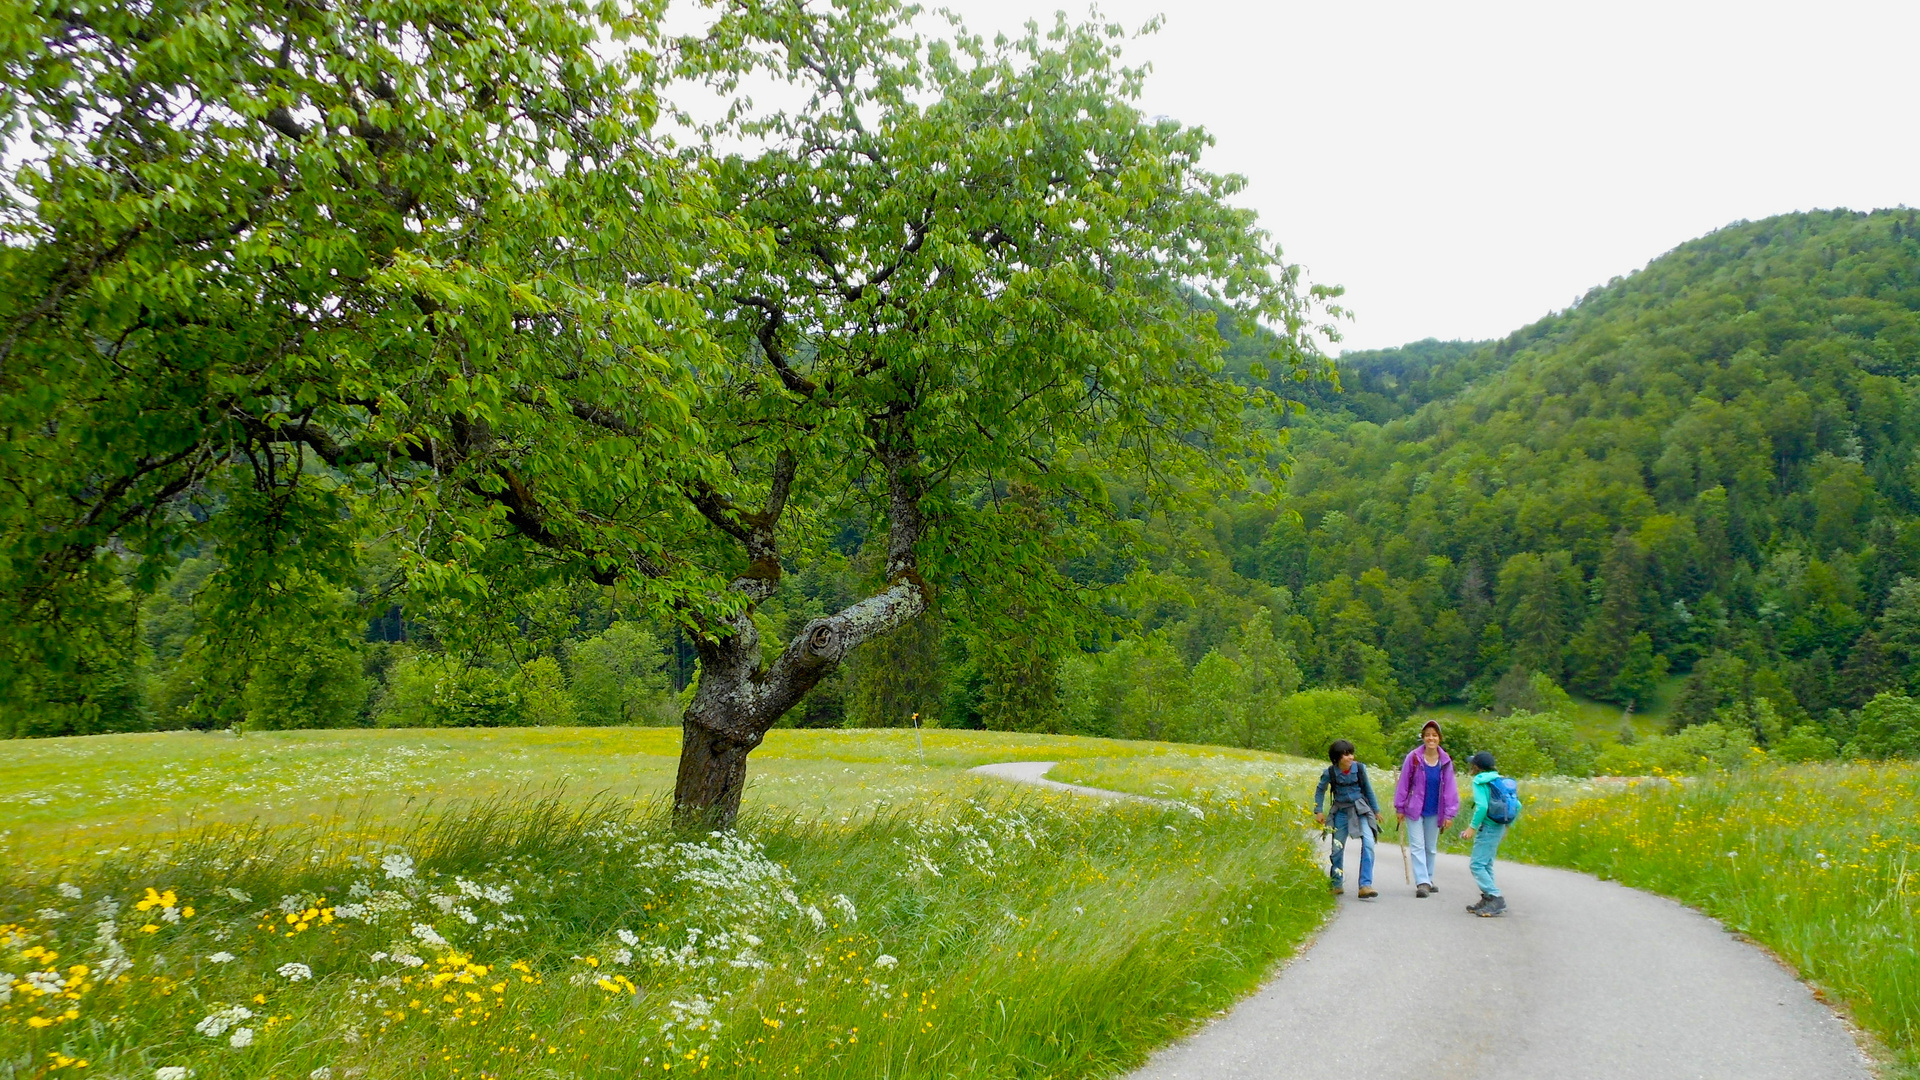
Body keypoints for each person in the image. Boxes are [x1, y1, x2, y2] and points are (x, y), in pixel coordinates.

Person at [1392, 720, 1458, 897]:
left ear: (1439, 738)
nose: (1431, 738)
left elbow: (1451, 788)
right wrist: (1399, 807)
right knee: (1418, 846)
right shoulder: (1413, 758)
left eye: (1434, 735)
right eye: (1427, 735)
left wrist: (1450, 813)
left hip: (1435, 810)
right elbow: (1404, 783)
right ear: (1422, 737)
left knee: (1430, 847)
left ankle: (1428, 878)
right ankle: (1422, 882)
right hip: (1414, 809)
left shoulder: (1445, 761)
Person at [1313, 739, 1381, 898]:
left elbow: (1368, 789)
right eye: (1346, 755)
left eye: (1351, 753)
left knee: (1369, 844)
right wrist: (1318, 811)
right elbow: (1320, 790)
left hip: (1361, 810)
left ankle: (1365, 885)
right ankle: (1336, 883)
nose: (1350, 757)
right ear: (1337, 758)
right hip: (1341, 812)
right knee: (1337, 848)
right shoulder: (1329, 772)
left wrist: (1376, 810)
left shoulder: (1360, 769)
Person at [1459, 750, 1510, 917]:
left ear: (1477, 767)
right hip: (1499, 825)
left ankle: (1495, 897)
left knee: (1476, 865)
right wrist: (1507, 826)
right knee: (1486, 864)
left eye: (1472, 764)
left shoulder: (1480, 781)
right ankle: (1488, 898)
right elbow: (1517, 806)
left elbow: (1482, 807)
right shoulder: (1500, 780)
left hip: (1487, 827)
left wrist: (1472, 828)